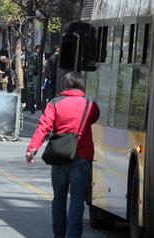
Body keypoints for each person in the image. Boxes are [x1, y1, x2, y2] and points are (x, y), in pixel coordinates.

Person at [26, 72, 100, 238]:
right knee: (77, 200)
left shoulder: (55, 103)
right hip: (82, 157)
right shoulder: (90, 105)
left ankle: (59, 234)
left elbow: (43, 127)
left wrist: (32, 149)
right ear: (82, 86)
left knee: (59, 199)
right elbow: (94, 118)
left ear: (66, 85)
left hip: (60, 157)